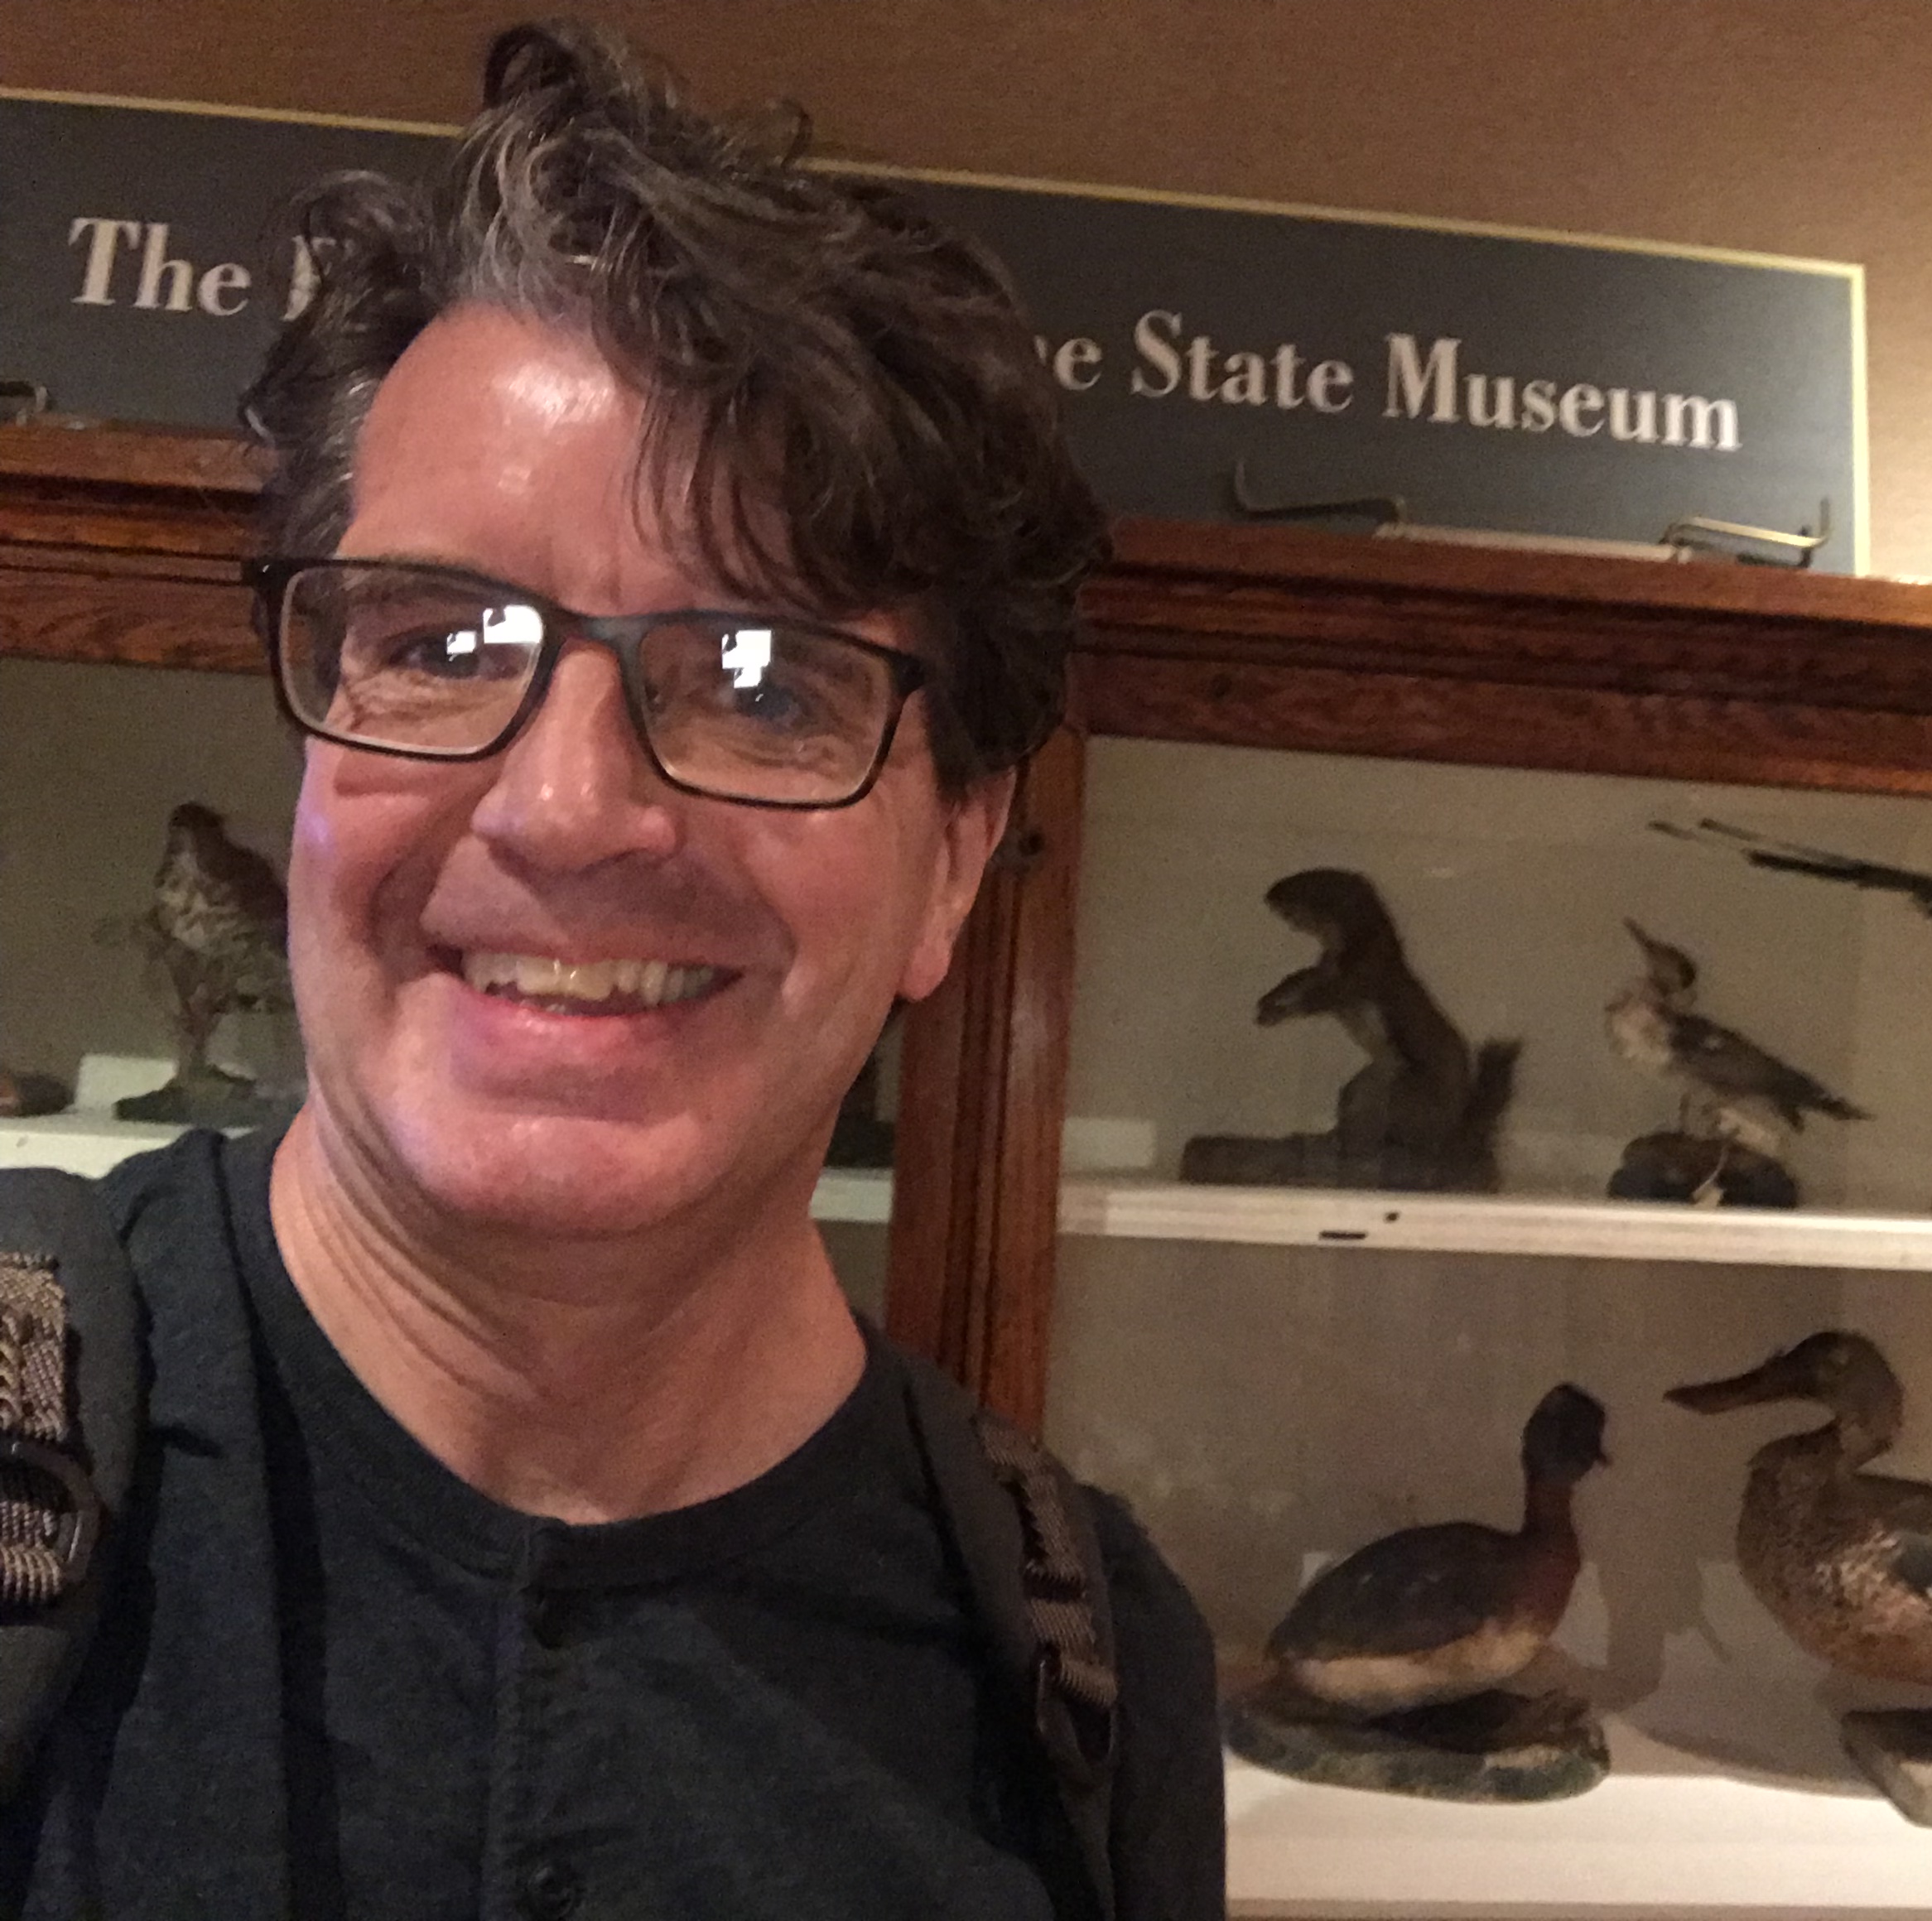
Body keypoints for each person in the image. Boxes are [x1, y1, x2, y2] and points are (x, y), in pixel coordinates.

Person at [0, 22, 1221, 1920]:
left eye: (762, 680)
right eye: (438, 643)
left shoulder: (1094, 1676)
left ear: (953, 859)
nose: (567, 811)